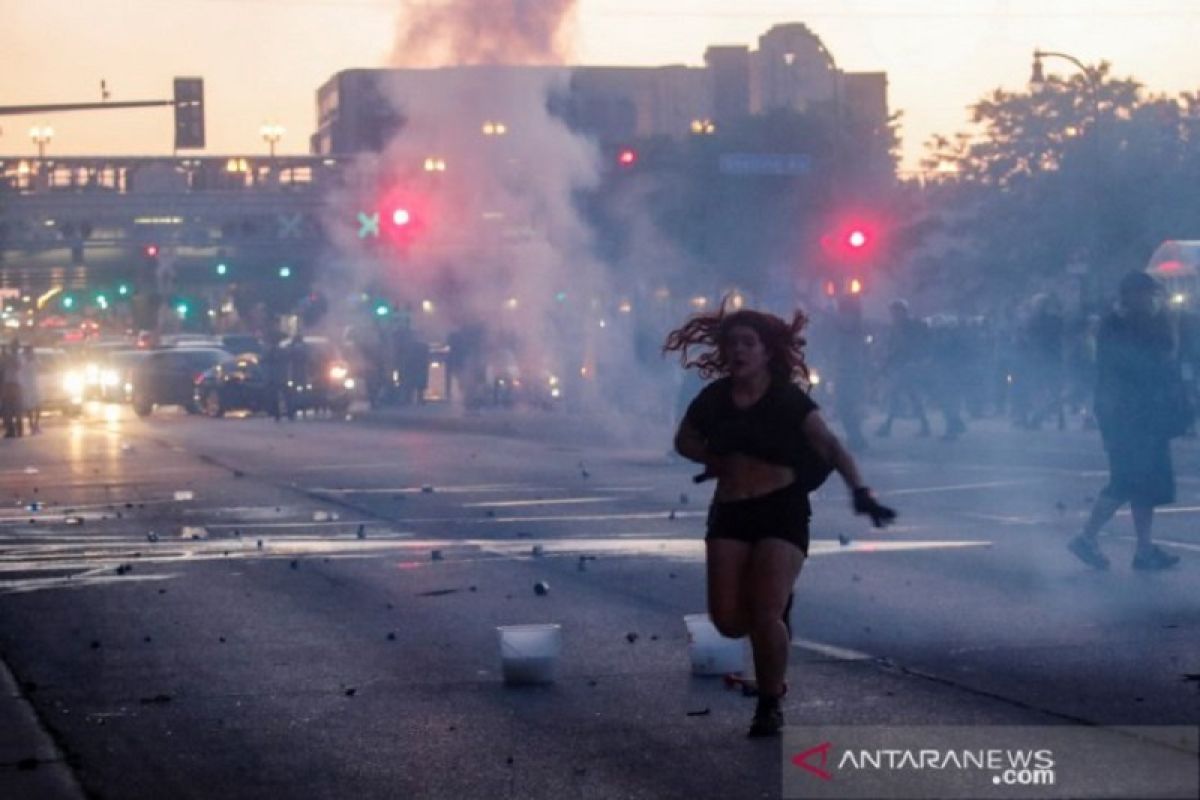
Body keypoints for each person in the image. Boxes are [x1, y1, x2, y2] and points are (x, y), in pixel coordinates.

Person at [665, 303, 896, 737]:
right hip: (731, 511)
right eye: (731, 343)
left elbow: (830, 446)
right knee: (729, 621)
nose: (738, 351)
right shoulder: (715, 399)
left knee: (766, 611)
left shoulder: (787, 399)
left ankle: (770, 703)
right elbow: (683, 439)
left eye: (748, 343)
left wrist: (861, 492)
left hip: (781, 510)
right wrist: (712, 457)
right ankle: (773, 623)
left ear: (767, 351)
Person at [1068, 272, 1184, 571]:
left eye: (1154, 294)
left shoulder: (1143, 322)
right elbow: (1143, 364)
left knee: (1145, 485)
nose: (1152, 299)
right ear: (1131, 295)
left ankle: (1144, 551)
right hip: (1127, 415)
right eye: (1147, 294)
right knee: (1126, 480)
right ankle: (1086, 537)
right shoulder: (1118, 325)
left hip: (1144, 415)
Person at [875, 299, 932, 438]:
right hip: (901, 366)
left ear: (903, 312)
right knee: (911, 396)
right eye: (893, 312)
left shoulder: (910, 327)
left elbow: (911, 347)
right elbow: (894, 349)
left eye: (896, 311)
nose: (894, 315)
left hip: (910, 365)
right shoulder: (896, 328)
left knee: (896, 395)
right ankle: (924, 425)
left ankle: (888, 426)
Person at [1, 341, 24, 438]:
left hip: (15, 385)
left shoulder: (18, 357)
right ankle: (11, 430)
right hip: (9, 384)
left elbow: (18, 366)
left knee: (15, 409)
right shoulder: (7, 357)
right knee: (8, 409)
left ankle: (17, 429)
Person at [19, 345, 40, 434]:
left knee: (38, 406)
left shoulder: (35, 360)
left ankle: (35, 424)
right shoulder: (22, 360)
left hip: (34, 384)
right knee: (29, 407)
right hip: (26, 385)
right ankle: (32, 424)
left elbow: (40, 366)